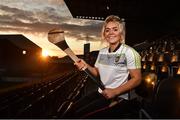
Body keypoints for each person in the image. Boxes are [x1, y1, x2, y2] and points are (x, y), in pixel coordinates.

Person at [64, 15, 142, 118]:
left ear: (121, 33)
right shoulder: (102, 52)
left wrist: (115, 92)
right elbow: (96, 72)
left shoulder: (130, 52)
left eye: (115, 29)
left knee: (81, 116)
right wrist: (85, 65)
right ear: (104, 34)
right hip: (101, 92)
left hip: (118, 98)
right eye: (107, 30)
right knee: (71, 110)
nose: (111, 33)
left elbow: (137, 79)